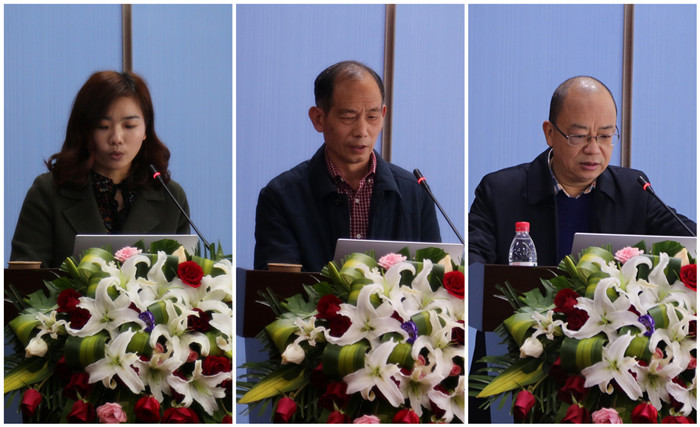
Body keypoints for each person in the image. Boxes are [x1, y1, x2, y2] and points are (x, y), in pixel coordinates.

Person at [469, 75, 696, 266]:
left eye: (605, 136)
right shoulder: (499, 192)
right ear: (549, 133)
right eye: (578, 136)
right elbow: (473, 265)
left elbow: (690, 241)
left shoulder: (634, 190)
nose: (593, 149)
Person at [254, 60, 441, 272]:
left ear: (383, 115)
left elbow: (433, 278)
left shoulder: (415, 193)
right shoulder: (281, 197)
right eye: (349, 116)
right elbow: (276, 286)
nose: (362, 131)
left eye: (372, 117)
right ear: (318, 119)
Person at [10, 71, 191, 268]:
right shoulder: (48, 193)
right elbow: (23, 279)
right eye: (103, 126)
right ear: (85, 129)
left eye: (129, 126)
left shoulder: (171, 198)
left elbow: (183, 278)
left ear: (145, 129)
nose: (116, 138)